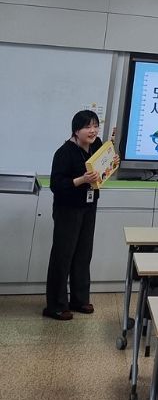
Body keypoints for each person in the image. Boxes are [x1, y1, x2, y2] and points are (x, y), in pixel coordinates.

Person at [43, 110, 105, 320]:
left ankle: (79, 300)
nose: (93, 130)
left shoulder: (97, 145)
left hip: (89, 205)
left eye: (95, 126)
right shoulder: (64, 152)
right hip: (68, 208)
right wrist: (82, 180)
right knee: (63, 256)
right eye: (88, 127)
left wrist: (111, 162)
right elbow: (56, 185)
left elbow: (102, 167)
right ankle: (56, 305)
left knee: (83, 254)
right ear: (76, 130)